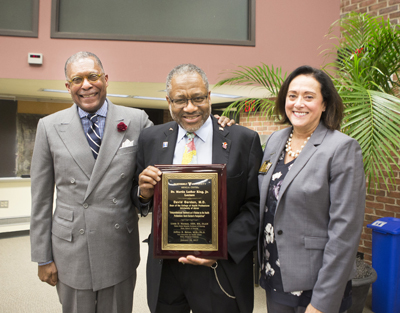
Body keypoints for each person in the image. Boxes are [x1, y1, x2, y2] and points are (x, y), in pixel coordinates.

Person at [30, 52, 233, 313]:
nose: (86, 85)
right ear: (68, 86)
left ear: (105, 79)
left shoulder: (136, 121)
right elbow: (41, 199)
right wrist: (42, 257)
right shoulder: (49, 127)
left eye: (93, 76)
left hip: (118, 246)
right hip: (70, 247)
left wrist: (216, 125)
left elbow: (175, 135)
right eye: (77, 79)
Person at [133, 63, 263, 313]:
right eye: (180, 100)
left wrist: (220, 248)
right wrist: (143, 192)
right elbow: (136, 196)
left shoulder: (242, 140)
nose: (190, 108)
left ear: (209, 97)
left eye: (198, 98)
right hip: (167, 271)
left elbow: (256, 206)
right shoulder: (151, 139)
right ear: (168, 100)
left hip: (219, 269)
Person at [257, 65, 366, 313]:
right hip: (275, 275)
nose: (298, 103)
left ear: (325, 104)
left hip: (315, 284)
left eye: (309, 96)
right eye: (292, 95)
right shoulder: (275, 140)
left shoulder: (341, 148)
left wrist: (322, 302)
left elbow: (345, 233)